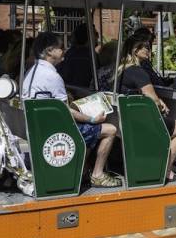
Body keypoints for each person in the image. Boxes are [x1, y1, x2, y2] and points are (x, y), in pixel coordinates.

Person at [22, 32, 120, 188]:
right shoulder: (52, 76)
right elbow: (66, 112)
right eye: (61, 47)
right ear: (49, 51)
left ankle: (82, 170)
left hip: (42, 126)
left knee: (90, 130)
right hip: (57, 130)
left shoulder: (32, 71)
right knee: (110, 129)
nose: (65, 50)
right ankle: (98, 174)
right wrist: (93, 119)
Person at [115, 36, 176, 183]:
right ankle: (166, 171)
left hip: (126, 118)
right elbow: (152, 98)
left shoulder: (122, 70)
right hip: (140, 121)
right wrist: (161, 104)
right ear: (136, 51)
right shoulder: (138, 72)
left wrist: (159, 101)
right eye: (146, 48)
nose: (149, 50)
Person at [58, 23, 95, 88]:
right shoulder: (90, 56)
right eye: (96, 34)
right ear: (89, 37)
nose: (97, 37)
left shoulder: (69, 53)